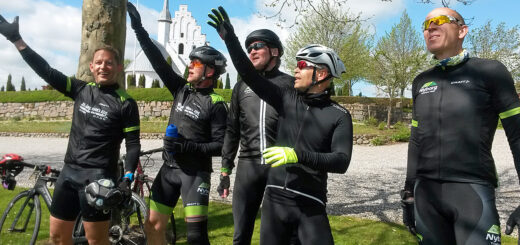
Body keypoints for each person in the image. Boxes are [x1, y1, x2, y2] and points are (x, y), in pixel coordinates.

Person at [208, 7, 353, 245]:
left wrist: (297, 155)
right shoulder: (286, 99)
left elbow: (341, 161)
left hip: (310, 201)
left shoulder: (339, 115)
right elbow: (248, 74)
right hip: (276, 200)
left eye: (303, 65)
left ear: (321, 73)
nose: (295, 69)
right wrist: (230, 39)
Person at [0, 14, 141, 245]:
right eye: (98, 62)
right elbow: (46, 70)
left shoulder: (125, 103)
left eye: (108, 63)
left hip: (98, 178)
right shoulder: (80, 90)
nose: (103, 66)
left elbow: (133, 144)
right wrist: (17, 40)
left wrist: (127, 177)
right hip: (69, 174)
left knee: (96, 241)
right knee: (57, 238)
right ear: (91, 66)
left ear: (117, 67)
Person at [401, 7, 520, 245]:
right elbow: (416, 141)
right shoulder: (421, 81)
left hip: (472, 192)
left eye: (440, 20)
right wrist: (408, 193)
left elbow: (517, 135)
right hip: (426, 196)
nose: (430, 27)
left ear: (462, 30)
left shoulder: (490, 71)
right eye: (426, 25)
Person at [127, 3, 228, 245]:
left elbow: (220, 145)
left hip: (195, 174)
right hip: (169, 170)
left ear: (210, 71)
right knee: (152, 226)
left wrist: (187, 147)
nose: (189, 66)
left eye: (196, 64)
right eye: (190, 62)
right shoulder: (181, 89)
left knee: (195, 237)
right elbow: (157, 60)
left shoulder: (216, 103)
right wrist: (139, 28)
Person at [217, 29, 294, 245]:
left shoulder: (289, 84)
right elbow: (232, 130)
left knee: (275, 236)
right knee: (240, 234)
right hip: (247, 167)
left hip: (278, 166)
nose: (252, 51)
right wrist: (225, 170)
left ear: (275, 51)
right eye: (248, 48)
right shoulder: (241, 86)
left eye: (257, 46)